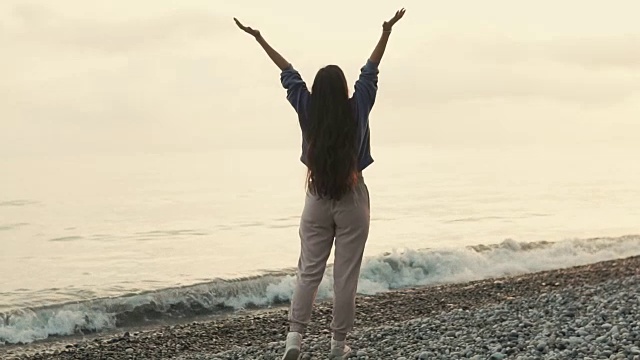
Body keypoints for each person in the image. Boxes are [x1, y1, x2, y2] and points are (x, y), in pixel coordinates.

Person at [234, 8, 406, 359]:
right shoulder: (357, 106)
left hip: (316, 196)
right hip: (352, 195)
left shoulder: (307, 107)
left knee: (308, 272)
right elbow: (370, 72)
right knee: (345, 277)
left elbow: (288, 74)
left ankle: (294, 340)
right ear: (342, 88)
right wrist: (386, 32)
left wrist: (259, 38)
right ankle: (337, 345)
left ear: (316, 89)